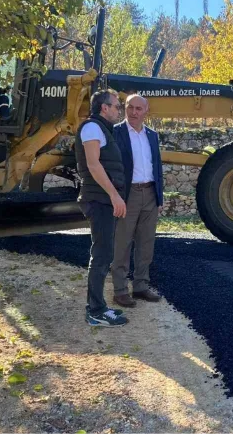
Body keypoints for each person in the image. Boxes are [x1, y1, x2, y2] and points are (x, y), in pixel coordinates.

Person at [76, 89, 129, 326]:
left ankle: (99, 306)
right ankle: (95, 311)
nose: (119, 110)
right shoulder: (91, 128)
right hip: (99, 200)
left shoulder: (102, 129)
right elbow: (93, 165)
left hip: (105, 199)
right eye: (116, 106)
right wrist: (114, 196)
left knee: (104, 253)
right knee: (101, 255)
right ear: (103, 107)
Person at [111, 94, 164, 307]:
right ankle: (120, 290)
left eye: (138, 109)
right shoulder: (115, 133)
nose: (133, 112)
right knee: (122, 243)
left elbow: (157, 167)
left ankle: (141, 286)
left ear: (146, 111)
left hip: (150, 193)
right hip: (128, 194)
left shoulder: (152, 135)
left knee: (146, 243)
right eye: (129, 107)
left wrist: (159, 197)